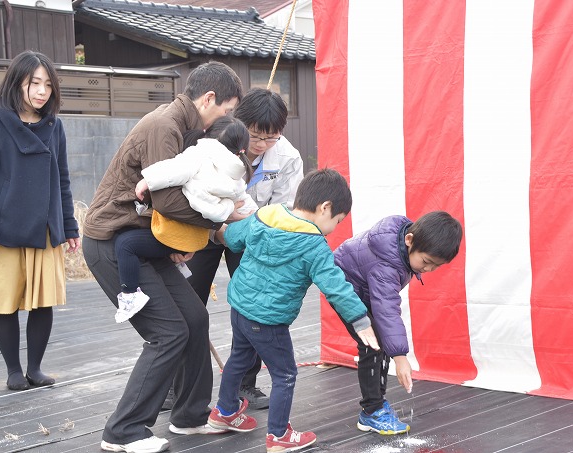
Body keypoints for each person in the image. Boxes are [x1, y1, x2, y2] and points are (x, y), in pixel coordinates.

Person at [82, 61, 244, 453]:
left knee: (195, 317)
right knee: (167, 333)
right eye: (226, 111)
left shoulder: (188, 131)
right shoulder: (164, 126)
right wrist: (221, 221)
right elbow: (167, 200)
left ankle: (189, 417)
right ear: (209, 99)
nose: (226, 120)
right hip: (113, 242)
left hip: (146, 240)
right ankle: (123, 431)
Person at [206, 168, 381, 453]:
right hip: (269, 321)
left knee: (238, 357)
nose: (334, 227)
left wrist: (208, 229)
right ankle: (278, 436)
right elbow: (336, 287)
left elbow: (232, 237)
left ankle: (224, 412)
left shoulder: (266, 216)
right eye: (337, 220)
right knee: (284, 374)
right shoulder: (314, 245)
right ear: (325, 208)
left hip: (239, 307)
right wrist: (361, 321)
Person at [0, 50, 81, 392]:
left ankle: (36, 368)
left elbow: (63, 180)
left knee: (43, 301)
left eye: (48, 85)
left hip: (44, 227)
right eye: (34, 83)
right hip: (3, 227)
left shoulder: (55, 127)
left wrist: (69, 226)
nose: (42, 91)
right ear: (18, 84)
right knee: (5, 299)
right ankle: (13, 371)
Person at [184, 87, 304, 410]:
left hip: (252, 237)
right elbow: (192, 191)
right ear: (239, 122)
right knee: (187, 303)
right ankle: (176, 384)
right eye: (255, 137)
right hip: (208, 229)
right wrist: (219, 229)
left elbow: (282, 213)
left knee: (254, 308)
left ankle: (245, 384)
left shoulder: (289, 158)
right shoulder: (212, 144)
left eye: (271, 138)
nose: (262, 145)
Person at [112, 116, 255, 323]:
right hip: (198, 239)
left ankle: (130, 295)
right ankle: (176, 267)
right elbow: (246, 204)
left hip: (177, 235)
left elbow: (173, 170)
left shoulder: (199, 155)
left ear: (210, 138)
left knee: (126, 244)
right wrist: (246, 215)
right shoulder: (237, 176)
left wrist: (147, 181)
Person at [332, 211, 463, 435]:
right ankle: (372, 412)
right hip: (344, 289)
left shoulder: (402, 244)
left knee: (380, 340)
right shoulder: (387, 265)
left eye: (436, 266)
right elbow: (386, 310)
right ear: (409, 240)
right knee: (373, 343)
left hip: (364, 288)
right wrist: (400, 358)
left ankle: (376, 404)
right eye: (426, 262)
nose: (428, 270)